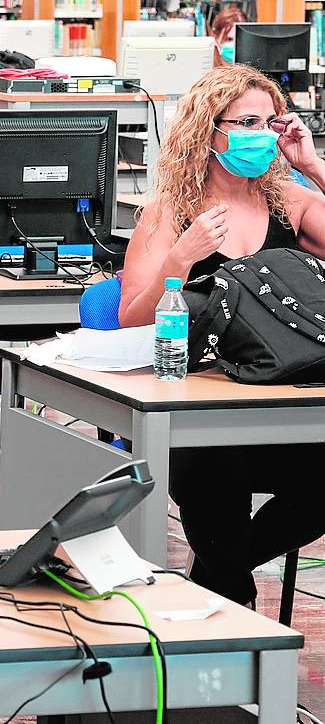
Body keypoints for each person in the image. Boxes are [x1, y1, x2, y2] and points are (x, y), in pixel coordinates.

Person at [119, 63, 325, 605]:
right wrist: (180, 258)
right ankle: (232, 595)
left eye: (270, 122)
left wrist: (312, 165)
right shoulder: (169, 213)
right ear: (209, 132)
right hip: (198, 409)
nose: (262, 135)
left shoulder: (289, 202)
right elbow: (132, 318)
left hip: (282, 394)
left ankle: (217, 582)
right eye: (246, 123)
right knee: (213, 476)